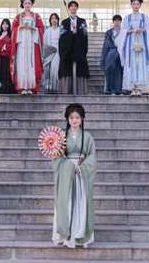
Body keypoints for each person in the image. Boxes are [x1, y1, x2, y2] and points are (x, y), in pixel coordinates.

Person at [52, 103, 96, 248]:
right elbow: (57, 157)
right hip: (67, 173)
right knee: (66, 203)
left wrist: (82, 167)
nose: (74, 120)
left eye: (77, 117)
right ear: (67, 119)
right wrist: (69, 165)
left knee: (80, 203)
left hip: (81, 174)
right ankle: (66, 235)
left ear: (82, 119)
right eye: (71, 117)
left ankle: (80, 234)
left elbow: (92, 156)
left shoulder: (88, 137)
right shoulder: (61, 136)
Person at [116, 0, 149, 96]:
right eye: (134, 4)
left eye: (137, 4)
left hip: (142, 43)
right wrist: (130, 30)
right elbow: (123, 30)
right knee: (131, 63)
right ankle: (132, 87)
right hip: (130, 44)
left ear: (140, 5)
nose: (136, 6)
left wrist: (142, 30)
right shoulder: (127, 18)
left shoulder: (144, 17)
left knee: (140, 63)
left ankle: (140, 88)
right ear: (131, 5)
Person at [10, 0, 45, 95]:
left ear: (31, 4)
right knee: (21, 64)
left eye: (29, 3)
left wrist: (34, 28)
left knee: (31, 64)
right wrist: (20, 27)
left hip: (32, 44)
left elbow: (41, 29)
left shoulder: (36, 16)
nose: (27, 5)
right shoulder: (18, 17)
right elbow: (13, 30)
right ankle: (22, 87)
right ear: (22, 4)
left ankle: (31, 87)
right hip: (21, 44)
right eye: (25, 3)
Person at [58, 1, 90, 95]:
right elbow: (62, 37)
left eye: (75, 6)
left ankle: (80, 91)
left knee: (80, 68)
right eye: (71, 6)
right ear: (69, 8)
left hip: (79, 48)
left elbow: (85, 35)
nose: (73, 8)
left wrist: (77, 32)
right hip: (68, 50)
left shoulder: (82, 21)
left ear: (77, 8)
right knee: (66, 68)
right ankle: (67, 90)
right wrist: (70, 33)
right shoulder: (64, 22)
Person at [100, 15, 124, 95]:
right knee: (111, 70)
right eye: (115, 21)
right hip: (111, 53)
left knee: (120, 72)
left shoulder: (123, 32)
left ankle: (119, 89)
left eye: (118, 21)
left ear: (121, 22)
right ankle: (111, 89)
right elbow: (106, 45)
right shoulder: (109, 32)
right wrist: (103, 58)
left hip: (121, 54)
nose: (117, 22)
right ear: (113, 22)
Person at [42, 13, 61, 94]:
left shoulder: (60, 30)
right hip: (49, 52)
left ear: (58, 20)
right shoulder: (47, 31)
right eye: (52, 18)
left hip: (58, 52)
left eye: (55, 18)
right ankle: (48, 87)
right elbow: (44, 43)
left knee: (55, 70)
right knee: (47, 70)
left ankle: (55, 88)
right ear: (50, 20)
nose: (54, 20)